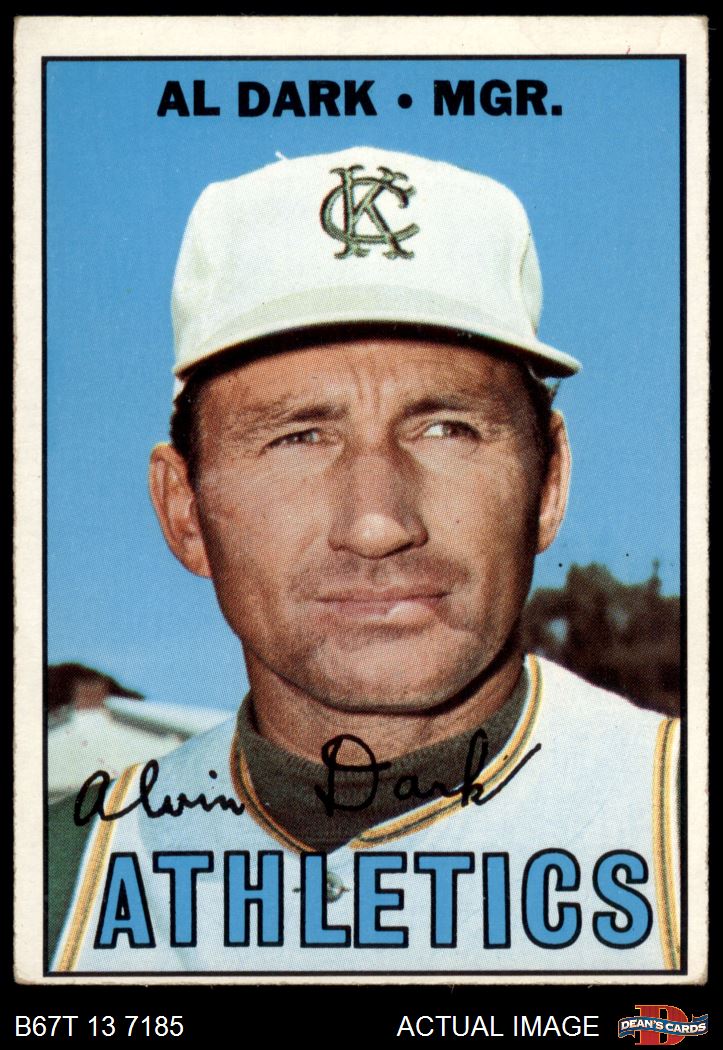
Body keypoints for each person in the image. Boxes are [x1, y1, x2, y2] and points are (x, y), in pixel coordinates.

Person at [49, 146, 680, 974]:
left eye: (446, 429)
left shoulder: (683, 824)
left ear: (548, 484)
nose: (378, 524)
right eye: (299, 437)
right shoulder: (57, 887)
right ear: (185, 511)